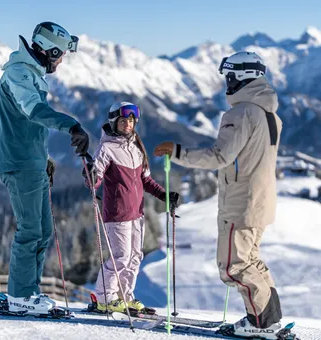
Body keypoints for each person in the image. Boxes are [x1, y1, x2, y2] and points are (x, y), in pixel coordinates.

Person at [154, 52, 283, 339]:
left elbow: (219, 156)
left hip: (241, 202)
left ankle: (261, 325)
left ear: (240, 77)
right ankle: (267, 319)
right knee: (252, 261)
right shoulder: (269, 114)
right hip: (260, 202)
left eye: (230, 76)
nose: (227, 83)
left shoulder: (241, 113)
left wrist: (177, 152)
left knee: (234, 266)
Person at [0, 22, 89, 315]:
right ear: (51, 50)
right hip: (20, 163)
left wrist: (43, 158)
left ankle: (29, 292)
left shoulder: (29, 72)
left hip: (31, 162)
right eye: (60, 55)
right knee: (30, 229)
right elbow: (32, 110)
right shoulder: (19, 72)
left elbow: (27, 127)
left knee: (43, 230)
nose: (61, 61)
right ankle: (21, 296)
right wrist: (71, 124)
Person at [83, 101, 180, 313]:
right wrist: (90, 174)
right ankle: (105, 298)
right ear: (114, 122)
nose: (128, 124)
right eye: (123, 120)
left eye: (131, 120)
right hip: (117, 214)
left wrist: (164, 195)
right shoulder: (107, 148)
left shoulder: (135, 146)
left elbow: (145, 180)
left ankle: (125, 297)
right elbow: (94, 181)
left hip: (137, 212)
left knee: (135, 257)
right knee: (120, 257)